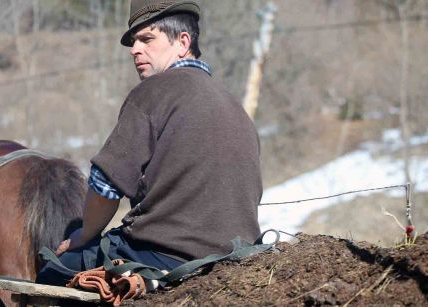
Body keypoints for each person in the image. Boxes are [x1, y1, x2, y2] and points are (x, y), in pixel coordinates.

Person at [36, 0, 262, 286]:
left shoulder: (154, 92)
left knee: (50, 275)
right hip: (237, 257)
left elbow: (106, 186)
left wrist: (83, 235)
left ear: (182, 42)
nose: (135, 49)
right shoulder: (235, 107)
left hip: (163, 255)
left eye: (147, 39)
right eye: (134, 41)